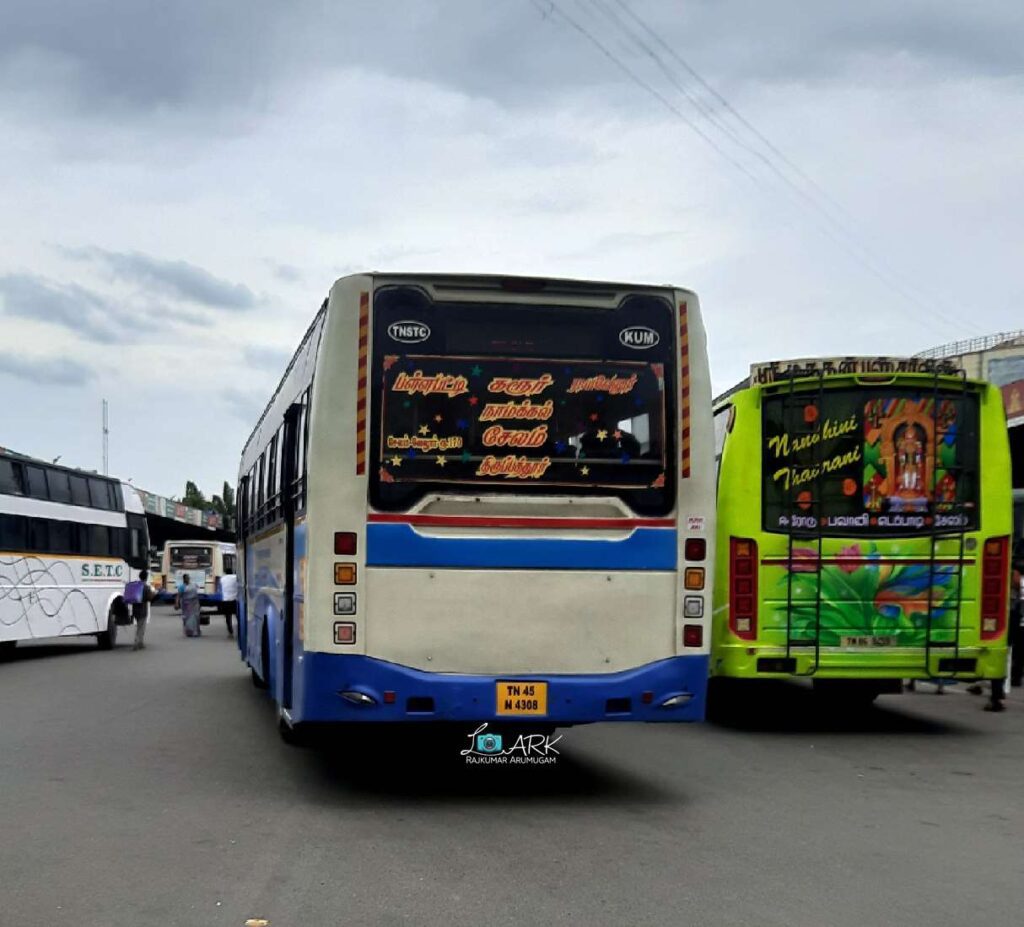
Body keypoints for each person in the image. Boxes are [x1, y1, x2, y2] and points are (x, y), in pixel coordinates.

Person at [131, 570, 157, 651]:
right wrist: (154, 594)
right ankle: (137, 642)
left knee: (139, 626)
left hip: (135, 609)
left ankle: (140, 642)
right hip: (142, 609)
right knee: (141, 627)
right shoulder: (146, 587)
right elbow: (149, 598)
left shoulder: (136, 585)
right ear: (146, 577)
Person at [176, 573, 202, 638]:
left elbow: (198, 591)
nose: (188, 579)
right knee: (187, 618)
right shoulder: (182, 587)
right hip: (187, 605)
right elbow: (178, 596)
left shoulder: (193, 585)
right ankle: (189, 632)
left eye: (188, 578)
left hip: (195, 604)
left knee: (196, 617)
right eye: (186, 578)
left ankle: (196, 632)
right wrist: (176, 603)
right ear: (184, 579)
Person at [219, 572, 238, 637]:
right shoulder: (235, 577)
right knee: (237, 616)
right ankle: (239, 627)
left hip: (226, 600)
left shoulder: (222, 578)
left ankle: (230, 630)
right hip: (234, 600)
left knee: (228, 617)